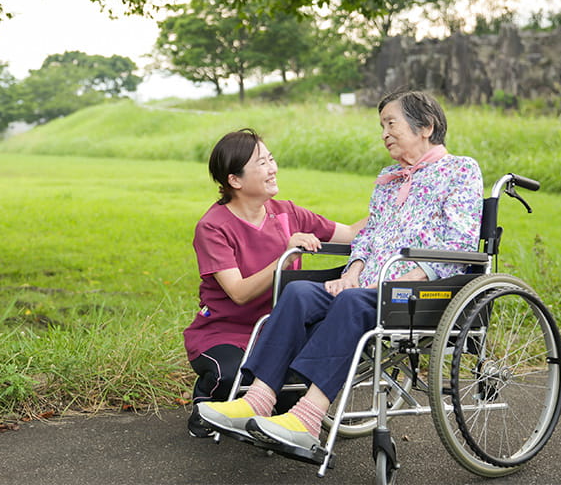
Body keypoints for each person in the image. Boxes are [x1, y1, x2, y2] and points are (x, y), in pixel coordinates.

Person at [196, 90, 483, 455]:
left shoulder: (460, 170)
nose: (384, 133)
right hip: (368, 286)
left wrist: (400, 279)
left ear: (425, 126)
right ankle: (258, 400)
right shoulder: (389, 178)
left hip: (421, 290)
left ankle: (308, 417)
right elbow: (367, 237)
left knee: (351, 301)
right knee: (299, 293)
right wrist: (354, 270)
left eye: (390, 123)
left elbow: (459, 246)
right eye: (382, 125)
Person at [184, 128, 366, 437]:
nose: (273, 169)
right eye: (262, 163)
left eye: (272, 159)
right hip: (226, 330)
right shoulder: (213, 227)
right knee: (233, 379)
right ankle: (207, 397)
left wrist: (392, 214)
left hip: (282, 328)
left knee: (288, 391)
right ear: (235, 180)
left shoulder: (288, 213)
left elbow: (349, 233)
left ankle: (264, 408)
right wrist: (286, 251)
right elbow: (239, 293)